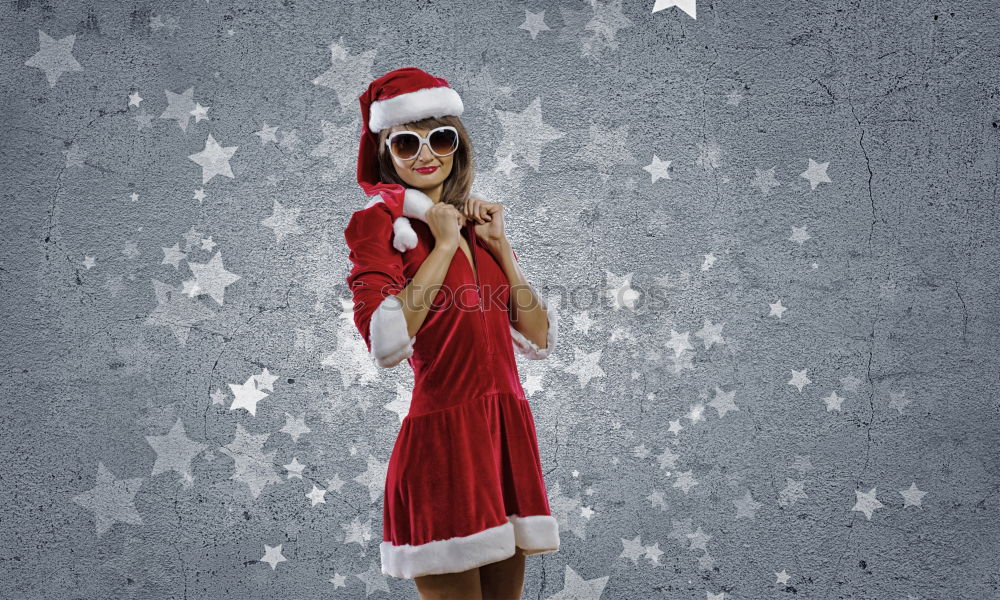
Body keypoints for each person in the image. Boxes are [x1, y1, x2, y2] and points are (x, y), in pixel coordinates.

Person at [344, 67, 560, 599]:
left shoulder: (473, 224)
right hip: (444, 449)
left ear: (457, 146)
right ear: (384, 151)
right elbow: (385, 341)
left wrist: (501, 247)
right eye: (406, 143)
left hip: (501, 439)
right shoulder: (380, 225)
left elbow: (538, 336)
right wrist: (440, 246)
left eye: (440, 138)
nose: (426, 154)